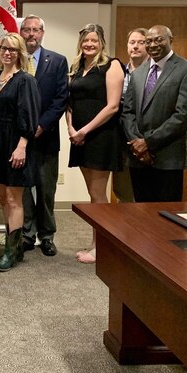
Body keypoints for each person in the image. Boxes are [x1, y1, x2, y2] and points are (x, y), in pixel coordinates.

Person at [0, 33, 41, 272]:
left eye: (13, 50)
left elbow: (30, 115)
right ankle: (13, 247)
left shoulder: (25, 80)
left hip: (16, 142)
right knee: (2, 197)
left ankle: (12, 250)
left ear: (20, 54)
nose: (8, 53)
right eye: (4, 48)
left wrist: (22, 145)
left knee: (14, 198)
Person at [66, 24, 124, 264]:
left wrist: (85, 130)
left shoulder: (112, 65)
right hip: (79, 136)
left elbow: (113, 106)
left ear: (101, 42)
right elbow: (69, 102)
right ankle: (95, 243)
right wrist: (70, 128)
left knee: (99, 195)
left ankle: (102, 247)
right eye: (85, 40)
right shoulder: (77, 67)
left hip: (101, 136)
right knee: (93, 194)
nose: (89, 44)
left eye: (94, 40)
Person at [121, 25, 187, 202]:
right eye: (148, 41)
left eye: (159, 39)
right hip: (138, 158)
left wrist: (148, 142)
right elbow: (128, 112)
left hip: (167, 157)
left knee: (167, 216)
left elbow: (182, 115)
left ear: (171, 40)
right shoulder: (138, 72)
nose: (153, 44)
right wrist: (138, 146)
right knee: (141, 213)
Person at [19, 15, 68, 257]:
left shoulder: (57, 61)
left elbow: (61, 99)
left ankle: (47, 235)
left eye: (35, 30)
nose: (31, 34)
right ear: (20, 32)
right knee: (24, 189)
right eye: (27, 30)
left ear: (42, 33)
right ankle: (27, 234)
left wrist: (42, 125)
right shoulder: (13, 59)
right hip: (19, 139)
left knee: (46, 188)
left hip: (46, 137)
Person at [112, 28, 149, 203]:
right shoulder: (118, 72)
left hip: (147, 140)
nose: (136, 47)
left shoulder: (155, 74)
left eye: (141, 42)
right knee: (123, 191)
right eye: (132, 42)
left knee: (146, 193)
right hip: (121, 140)